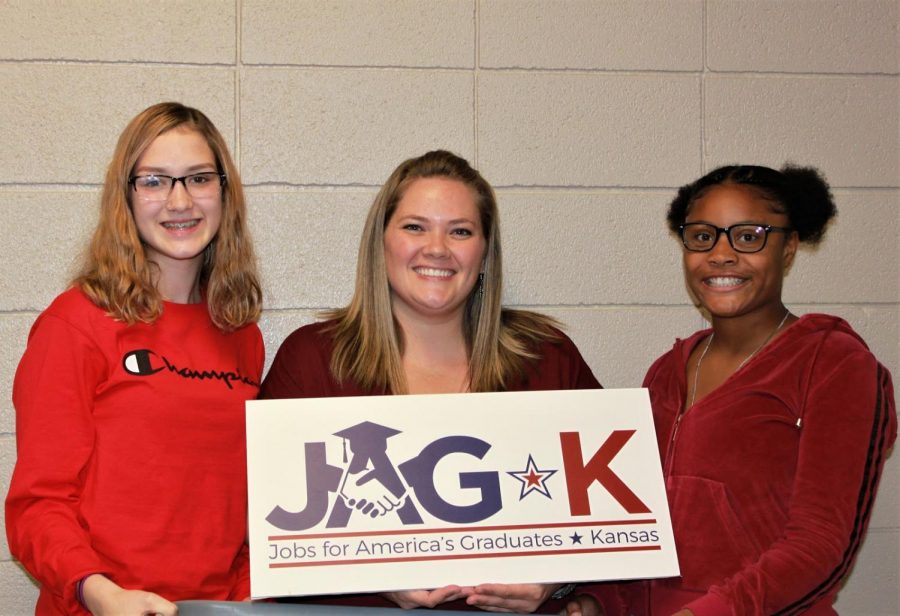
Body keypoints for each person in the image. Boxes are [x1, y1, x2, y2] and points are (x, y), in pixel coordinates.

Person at [260, 149, 600, 612]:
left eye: (460, 231)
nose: (437, 248)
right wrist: (377, 576)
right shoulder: (314, 359)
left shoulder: (548, 358)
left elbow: (611, 519)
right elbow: (264, 527)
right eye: (415, 227)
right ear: (381, 244)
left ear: (484, 252)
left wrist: (554, 584)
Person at [567, 165, 896, 616]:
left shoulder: (834, 362)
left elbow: (822, 546)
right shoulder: (666, 371)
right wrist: (599, 600)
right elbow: (640, 530)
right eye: (703, 236)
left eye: (748, 236)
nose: (720, 254)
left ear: (789, 247)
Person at [6, 102, 265, 616]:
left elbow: (244, 510)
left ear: (224, 193)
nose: (179, 200)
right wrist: (101, 593)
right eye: (154, 181)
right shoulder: (75, 323)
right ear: (125, 196)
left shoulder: (242, 336)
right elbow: (38, 505)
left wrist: (245, 595)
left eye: (198, 178)